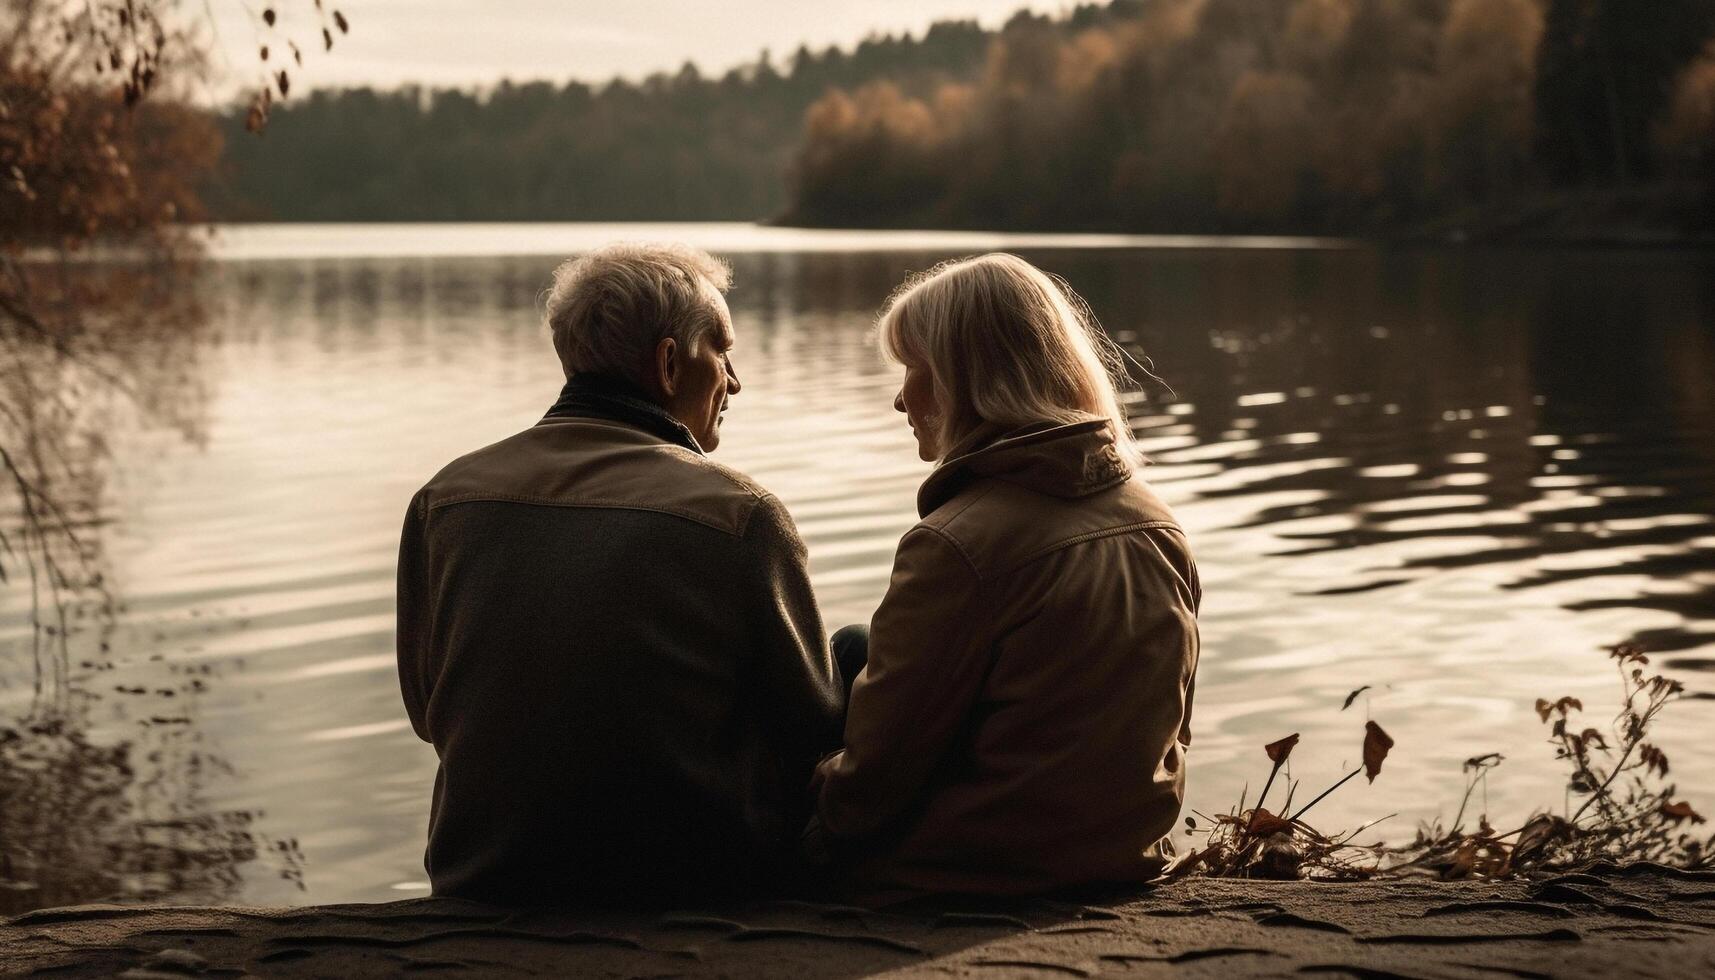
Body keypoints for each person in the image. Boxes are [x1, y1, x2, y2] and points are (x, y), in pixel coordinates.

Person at [396, 243, 843, 906]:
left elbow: (428, 712)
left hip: (483, 878)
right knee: (858, 652)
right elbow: (810, 734)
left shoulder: (445, 498)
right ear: (668, 363)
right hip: (691, 888)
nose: (735, 380)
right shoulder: (736, 514)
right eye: (722, 351)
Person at [810, 253, 1200, 902]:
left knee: (834, 664)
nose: (900, 396)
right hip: (1125, 853)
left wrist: (804, 824)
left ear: (972, 378)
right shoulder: (1155, 521)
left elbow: (876, 776)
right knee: (859, 647)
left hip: (981, 867)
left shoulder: (956, 544)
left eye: (916, 370)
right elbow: (1172, 725)